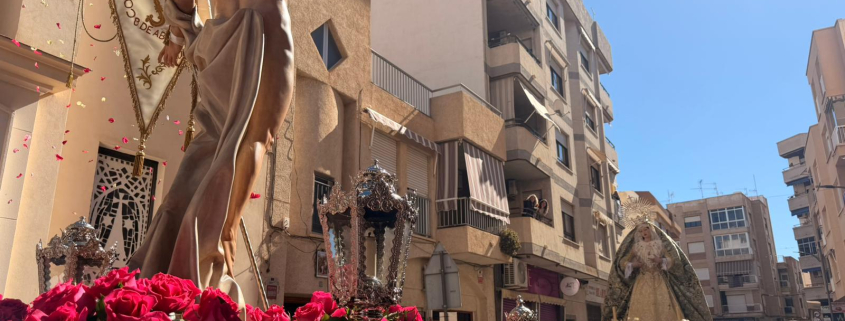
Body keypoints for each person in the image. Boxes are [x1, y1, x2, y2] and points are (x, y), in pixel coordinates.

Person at [128, 0, 294, 304]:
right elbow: (260, 140)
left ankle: (166, 266)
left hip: (217, 42)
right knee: (256, 138)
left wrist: (179, 37)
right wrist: (230, 225)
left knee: (212, 144)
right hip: (263, 35)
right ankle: (214, 241)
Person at [603, 222, 711, 321]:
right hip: (642, 279)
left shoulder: (659, 244)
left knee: (664, 304)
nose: (644, 232)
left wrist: (660, 260)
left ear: (651, 230)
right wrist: (634, 264)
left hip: (659, 277)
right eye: (641, 231)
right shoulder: (636, 247)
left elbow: (671, 260)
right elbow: (623, 262)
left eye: (646, 229)